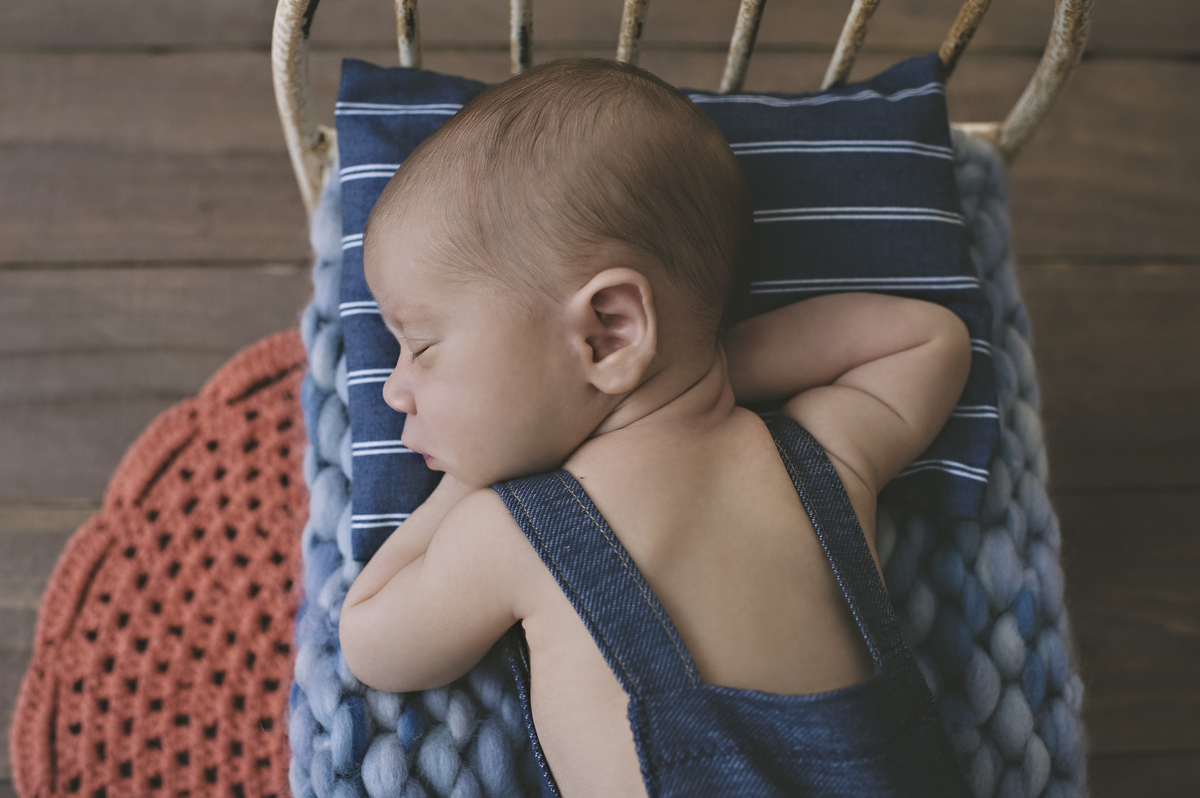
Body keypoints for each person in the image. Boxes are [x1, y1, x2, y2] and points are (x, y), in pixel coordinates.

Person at [339, 57, 972, 797]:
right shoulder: (822, 456)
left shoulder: (504, 534)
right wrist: (712, 364)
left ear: (608, 332)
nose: (392, 389)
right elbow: (929, 341)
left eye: (421, 346)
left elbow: (370, 642)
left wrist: (464, 475)